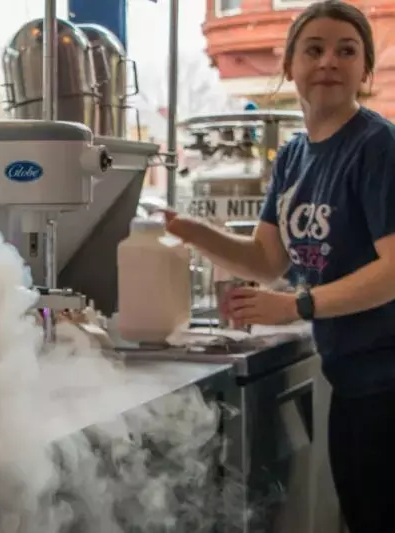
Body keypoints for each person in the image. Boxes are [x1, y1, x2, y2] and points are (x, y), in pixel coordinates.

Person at [163, 2, 394, 531]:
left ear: (365, 69)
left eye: (346, 50)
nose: (329, 61)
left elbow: (393, 271)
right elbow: (267, 259)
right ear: (290, 66)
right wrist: (189, 231)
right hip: (352, 380)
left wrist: (296, 305)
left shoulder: (377, 146)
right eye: (314, 49)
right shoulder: (294, 157)